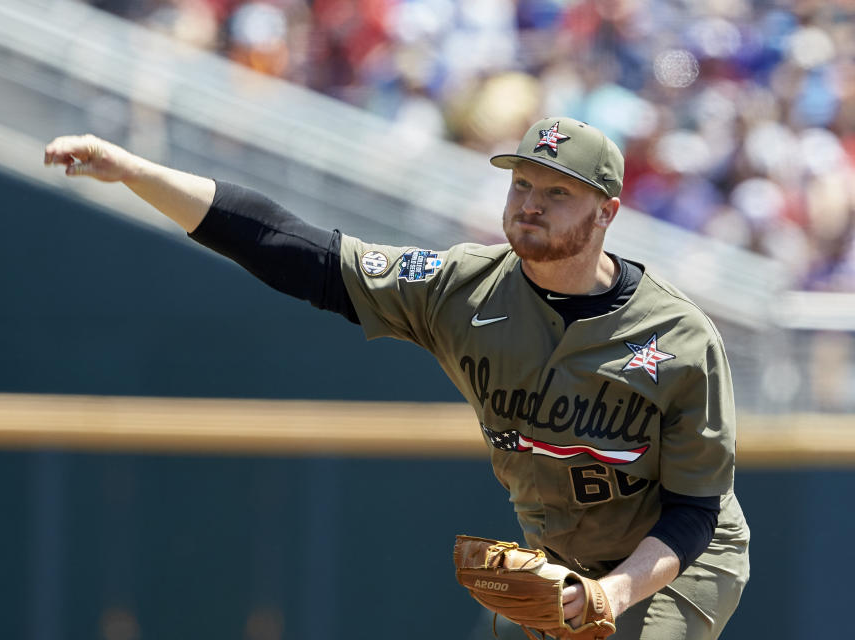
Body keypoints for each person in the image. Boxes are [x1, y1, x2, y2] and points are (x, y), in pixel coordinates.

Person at [43, 116, 749, 640]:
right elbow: (298, 251)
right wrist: (136, 172)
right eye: (522, 182)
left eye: (557, 192)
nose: (530, 202)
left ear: (607, 212)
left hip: (671, 563)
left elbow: (694, 512)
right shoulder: (462, 288)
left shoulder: (679, 340)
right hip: (557, 555)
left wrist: (613, 595)